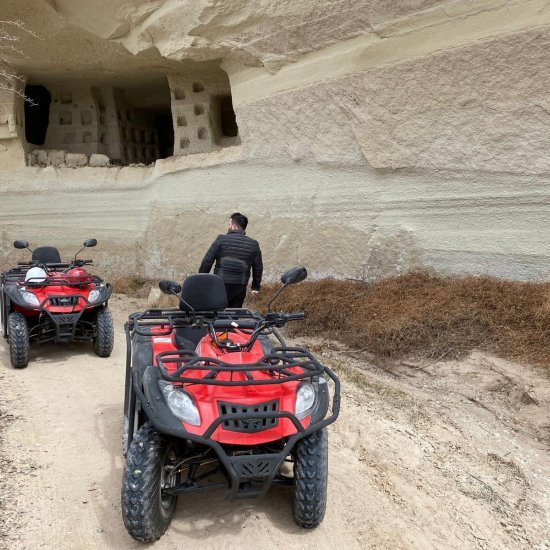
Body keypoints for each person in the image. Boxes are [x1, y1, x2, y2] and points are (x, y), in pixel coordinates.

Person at [198, 212, 263, 308]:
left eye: (229, 224)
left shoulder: (221, 240)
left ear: (233, 226)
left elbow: (207, 261)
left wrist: (201, 280)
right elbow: (258, 267)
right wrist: (255, 287)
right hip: (240, 287)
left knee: (216, 313)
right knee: (233, 317)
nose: (228, 226)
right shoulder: (253, 244)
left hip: (220, 284)